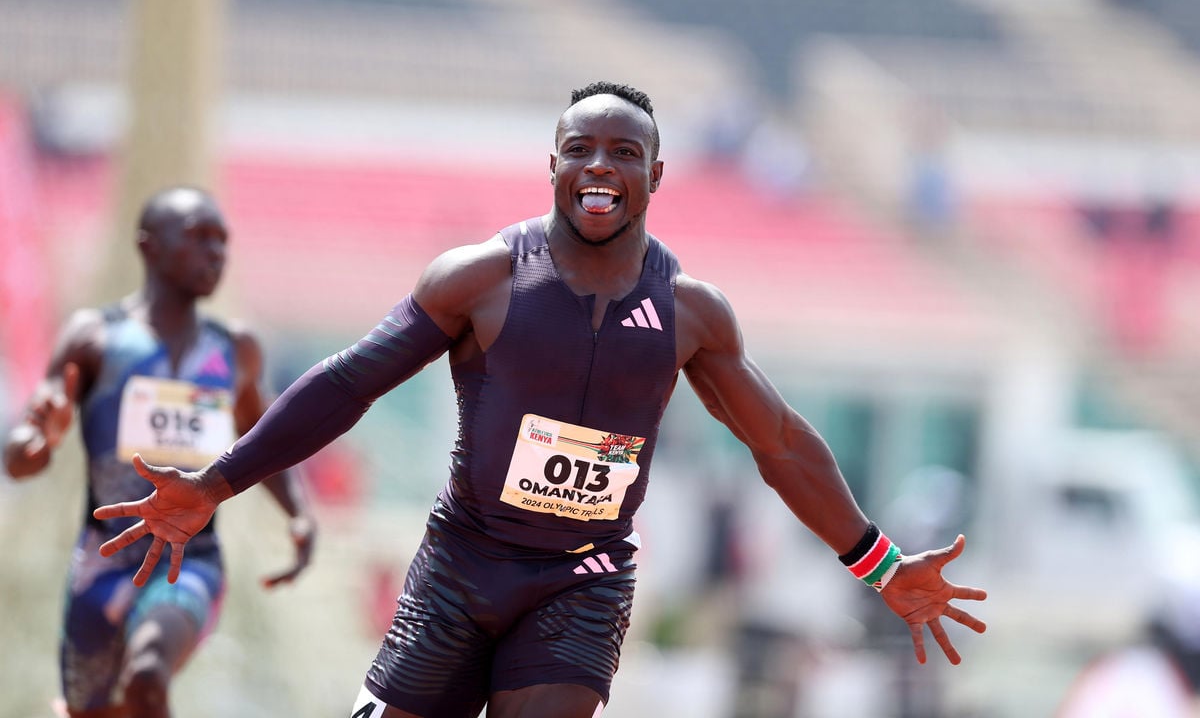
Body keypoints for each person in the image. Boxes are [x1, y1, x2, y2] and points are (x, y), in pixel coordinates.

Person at [94, 83, 987, 718]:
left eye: (624, 153)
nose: (601, 167)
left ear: (656, 175)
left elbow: (782, 443)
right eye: (582, 150)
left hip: (583, 577)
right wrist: (214, 482)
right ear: (552, 166)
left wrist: (878, 564)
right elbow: (347, 382)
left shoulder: (692, 315)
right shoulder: (478, 282)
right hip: (461, 565)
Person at [4, 186, 316, 718]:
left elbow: (265, 443)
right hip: (100, 564)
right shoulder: (95, 337)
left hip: (187, 561)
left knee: (148, 673)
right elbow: (18, 458)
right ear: (148, 246)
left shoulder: (236, 349)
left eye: (222, 240)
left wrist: (299, 514)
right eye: (199, 237)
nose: (216, 251)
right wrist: (42, 439)